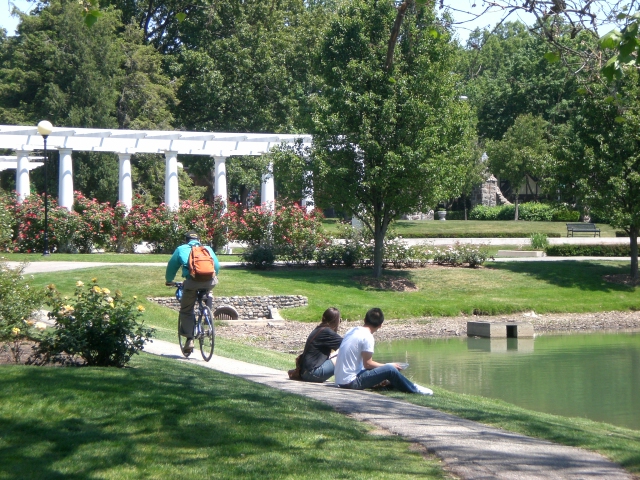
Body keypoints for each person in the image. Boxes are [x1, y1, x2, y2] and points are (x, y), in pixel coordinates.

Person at [334, 308, 433, 395]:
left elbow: (365, 365)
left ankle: (392, 385)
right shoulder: (367, 336)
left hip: (340, 380)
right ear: (380, 325)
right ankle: (413, 388)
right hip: (350, 382)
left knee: (386, 370)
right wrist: (388, 365)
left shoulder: (352, 330)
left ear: (364, 320)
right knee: (390, 369)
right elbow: (368, 364)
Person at [165, 231, 220, 355]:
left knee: (186, 309)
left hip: (192, 282)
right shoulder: (207, 249)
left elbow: (171, 266)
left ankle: (190, 339)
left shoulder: (181, 249)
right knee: (207, 290)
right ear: (199, 240)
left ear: (186, 240)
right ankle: (207, 307)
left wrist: (169, 280)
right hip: (210, 281)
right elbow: (216, 266)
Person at [300, 307, 343, 383]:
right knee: (343, 356)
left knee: (339, 354)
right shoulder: (327, 332)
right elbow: (347, 345)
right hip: (312, 373)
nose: (340, 322)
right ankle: (353, 379)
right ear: (335, 321)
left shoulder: (320, 329)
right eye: (339, 320)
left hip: (305, 372)